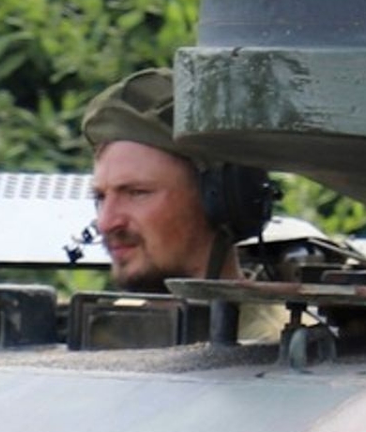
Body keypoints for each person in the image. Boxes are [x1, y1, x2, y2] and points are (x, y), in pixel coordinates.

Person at [79, 68, 275, 295]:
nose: (106, 222)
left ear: (224, 200)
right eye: (100, 197)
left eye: (137, 193)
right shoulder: (102, 328)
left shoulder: (285, 331)